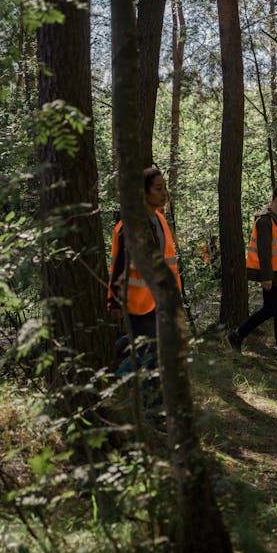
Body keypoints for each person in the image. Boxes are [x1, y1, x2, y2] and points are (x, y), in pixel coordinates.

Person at [107, 168, 181, 406]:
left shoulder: (159, 219)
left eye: (164, 187)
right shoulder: (129, 226)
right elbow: (119, 267)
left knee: (156, 352)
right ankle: (114, 387)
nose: (164, 193)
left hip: (158, 300)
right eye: (158, 188)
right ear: (143, 192)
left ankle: (154, 404)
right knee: (151, 351)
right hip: (136, 302)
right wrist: (115, 303)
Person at [228, 186, 277, 358]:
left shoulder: (275, 219)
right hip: (272, 275)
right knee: (269, 309)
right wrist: (266, 277)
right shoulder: (265, 221)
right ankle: (237, 335)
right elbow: (264, 252)